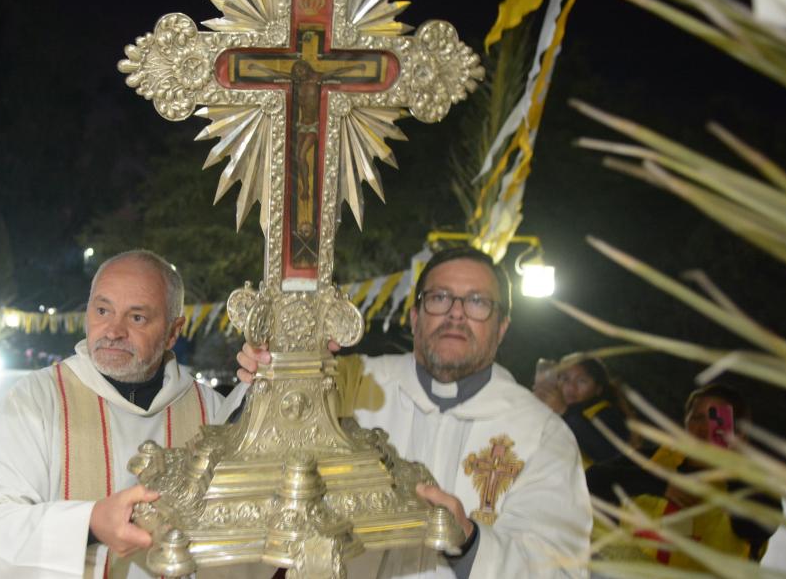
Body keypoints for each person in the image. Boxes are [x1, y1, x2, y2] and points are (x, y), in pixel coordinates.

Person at [238, 246, 591, 577]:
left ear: (501, 328)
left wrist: (469, 543)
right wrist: (272, 378)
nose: (456, 313)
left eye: (477, 302)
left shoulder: (541, 434)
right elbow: (252, 463)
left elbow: (558, 567)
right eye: (439, 298)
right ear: (414, 317)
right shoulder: (349, 384)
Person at [0, 250, 244, 578]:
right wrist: (88, 524)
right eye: (103, 310)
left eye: (136, 318)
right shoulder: (39, 400)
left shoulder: (213, 412)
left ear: (173, 332)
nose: (113, 330)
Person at [587, 383, 779, 569]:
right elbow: (590, 481)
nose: (703, 429)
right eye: (697, 417)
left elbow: (757, 528)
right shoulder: (656, 458)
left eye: (717, 420)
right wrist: (660, 484)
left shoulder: (754, 482)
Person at [534, 357, 633, 469]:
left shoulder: (608, 415)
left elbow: (607, 454)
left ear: (598, 389)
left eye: (582, 381)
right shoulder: (552, 413)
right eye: (565, 379)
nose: (571, 387)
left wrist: (564, 411)